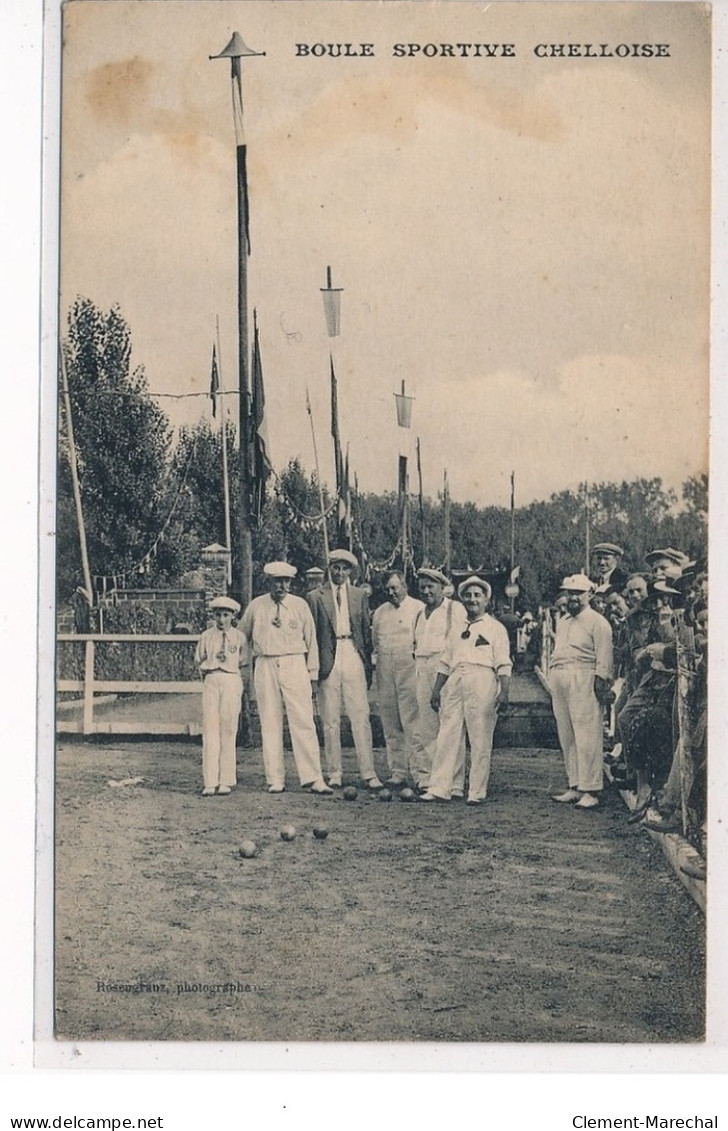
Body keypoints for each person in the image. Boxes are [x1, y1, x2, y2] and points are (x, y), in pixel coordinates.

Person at [239, 562, 332, 795]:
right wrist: (241, 667)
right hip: (265, 664)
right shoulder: (256, 606)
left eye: (286, 581)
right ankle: (275, 778)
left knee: (303, 721)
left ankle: (313, 777)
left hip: (294, 663)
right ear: (269, 581)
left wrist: (312, 674)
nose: (282, 586)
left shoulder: (299, 605)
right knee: (270, 721)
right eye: (277, 581)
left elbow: (311, 641)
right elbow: (241, 637)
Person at [421, 576, 512, 805]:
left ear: (486, 600)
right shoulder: (456, 628)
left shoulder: (495, 628)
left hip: (482, 679)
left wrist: (504, 691)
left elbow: (503, 662)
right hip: (455, 680)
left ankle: (476, 792)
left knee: (480, 738)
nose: (472, 600)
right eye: (468, 596)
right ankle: (441, 788)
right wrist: (436, 690)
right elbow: (445, 661)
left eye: (477, 595)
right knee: (447, 735)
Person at [307, 549, 383, 790]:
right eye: (336, 568)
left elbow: (365, 632)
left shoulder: (359, 595)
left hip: (352, 653)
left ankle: (368, 772)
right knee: (330, 719)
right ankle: (334, 772)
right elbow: (311, 635)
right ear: (329, 569)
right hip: (328, 657)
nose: (340, 573)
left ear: (351, 571)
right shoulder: (315, 596)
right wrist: (313, 668)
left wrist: (367, 665)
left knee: (360, 716)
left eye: (344, 568)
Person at [549, 574, 613, 810]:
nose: (573, 597)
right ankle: (575, 785)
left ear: (590, 594)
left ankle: (591, 789)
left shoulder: (598, 622)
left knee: (587, 734)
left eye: (579, 593)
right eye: (570, 592)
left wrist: (600, 682)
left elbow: (604, 657)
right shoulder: (564, 620)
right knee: (567, 734)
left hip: (584, 677)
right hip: (561, 676)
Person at [412, 567, 468, 794]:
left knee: (451, 726)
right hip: (422, 666)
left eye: (430, 587)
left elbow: (460, 645)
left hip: (446, 669)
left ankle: (454, 782)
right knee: (426, 726)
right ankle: (429, 778)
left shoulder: (454, 609)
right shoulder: (419, 613)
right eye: (422, 587)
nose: (426, 591)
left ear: (442, 587)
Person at [371, 570, 424, 787]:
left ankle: (420, 774)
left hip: (409, 667)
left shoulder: (418, 609)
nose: (391, 592)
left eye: (395, 588)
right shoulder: (380, 612)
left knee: (412, 722)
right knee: (390, 721)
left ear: (405, 587)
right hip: (385, 667)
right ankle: (398, 772)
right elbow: (375, 642)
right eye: (388, 589)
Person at [195, 595, 246, 796]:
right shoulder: (207, 636)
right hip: (212, 678)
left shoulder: (239, 637)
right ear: (213, 616)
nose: (222, 619)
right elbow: (199, 659)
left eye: (226, 615)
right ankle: (210, 781)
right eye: (218, 615)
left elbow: (243, 660)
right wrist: (209, 673)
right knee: (210, 729)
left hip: (231, 679)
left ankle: (226, 780)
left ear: (233, 616)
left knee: (229, 728)